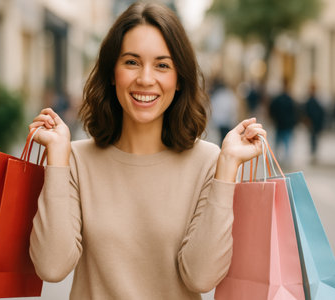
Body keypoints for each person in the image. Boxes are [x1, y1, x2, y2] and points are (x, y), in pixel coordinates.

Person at [28, 2, 266, 299]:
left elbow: (201, 278)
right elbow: (51, 267)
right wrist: (57, 161)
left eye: (162, 65)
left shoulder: (208, 162)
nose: (145, 78)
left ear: (179, 79)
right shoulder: (75, 159)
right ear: (112, 72)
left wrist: (228, 165)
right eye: (131, 62)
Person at [268, 77, 297, 165]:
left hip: (280, 124)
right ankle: (285, 158)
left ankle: (277, 158)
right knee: (286, 143)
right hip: (286, 124)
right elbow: (294, 112)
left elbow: (272, 109)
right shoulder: (290, 99)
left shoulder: (278, 99)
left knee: (279, 142)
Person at [210, 78, 239, 146]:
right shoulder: (229, 95)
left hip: (219, 121)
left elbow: (213, 107)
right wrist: (234, 120)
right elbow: (233, 108)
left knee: (222, 137)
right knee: (226, 137)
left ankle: (222, 147)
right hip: (226, 121)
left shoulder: (216, 95)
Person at [304, 83, 325, 163]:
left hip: (315, 123)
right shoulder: (313, 100)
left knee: (314, 138)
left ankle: (314, 152)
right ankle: (313, 152)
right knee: (313, 138)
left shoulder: (314, 100)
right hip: (313, 123)